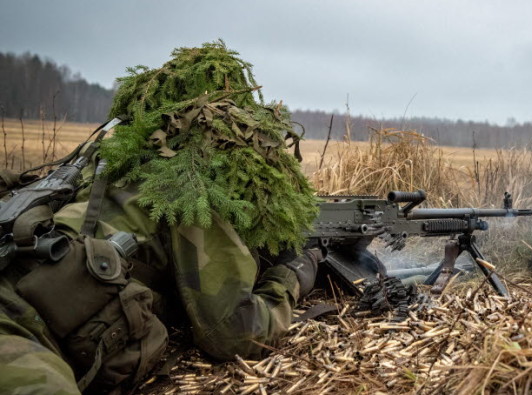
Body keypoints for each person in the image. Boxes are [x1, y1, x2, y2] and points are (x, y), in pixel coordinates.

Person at [0, 42, 321, 394]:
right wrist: (291, 273)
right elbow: (235, 335)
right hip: (15, 322)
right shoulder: (186, 186)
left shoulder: (107, 161)